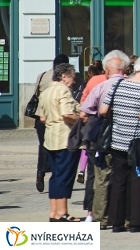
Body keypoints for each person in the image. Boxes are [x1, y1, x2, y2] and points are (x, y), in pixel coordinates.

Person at [99, 56, 140, 233]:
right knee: (138, 179)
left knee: (118, 179)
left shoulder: (118, 85)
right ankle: (135, 221)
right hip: (138, 141)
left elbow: (103, 110)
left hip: (117, 139)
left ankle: (116, 222)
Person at [80, 51, 129, 229]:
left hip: (105, 138)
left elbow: (85, 108)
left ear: (108, 70)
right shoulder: (131, 85)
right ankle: (124, 216)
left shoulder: (101, 86)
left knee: (102, 178)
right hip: (127, 136)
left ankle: (100, 218)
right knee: (124, 177)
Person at [38, 63, 81, 221]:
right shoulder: (63, 90)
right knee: (65, 175)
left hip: (50, 138)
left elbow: (42, 118)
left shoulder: (46, 91)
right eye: (72, 77)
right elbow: (67, 114)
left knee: (56, 175)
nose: (74, 81)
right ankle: (63, 213)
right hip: (64, 138)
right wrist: (80, 120)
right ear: (64, 76)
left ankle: (54, 212)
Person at [33, 54, 69, 193]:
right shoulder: (63, 79)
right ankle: (56, 176)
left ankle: (40, 172)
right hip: (57, 118)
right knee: (57, 149)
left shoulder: (42, 76)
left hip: (41, 116)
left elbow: (35, 93)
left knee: (43, 146)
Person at [77, 60, 105, 222]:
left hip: (93, 130)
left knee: (92, 174)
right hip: (111, 132)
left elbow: (83, 107)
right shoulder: (120, 81)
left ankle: (90, 211)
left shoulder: (93, 82)